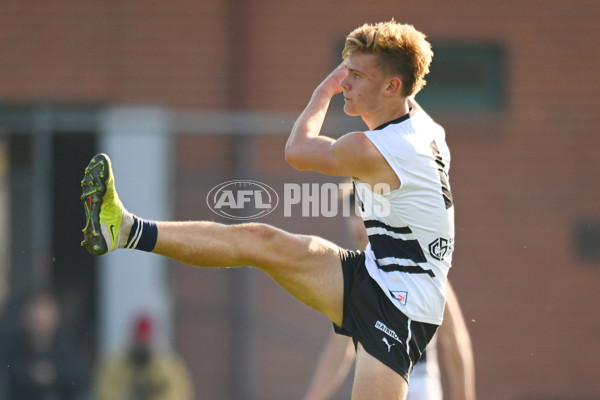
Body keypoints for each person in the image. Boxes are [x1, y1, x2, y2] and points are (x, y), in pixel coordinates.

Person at [81, 20, 454, 399]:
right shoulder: (423, 127)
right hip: (374, 274)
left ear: (391, 87)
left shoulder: (372, 148)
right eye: (346, 73)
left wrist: (322, 90)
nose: (344, 83)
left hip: (402, 310)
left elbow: (297, 150)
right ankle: (126, 229)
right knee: (258, 239)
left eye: (355, 76)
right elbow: (407, 74)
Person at [302, 193, 475, 400]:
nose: (358, 223)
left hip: (418, 388)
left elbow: (455, 340)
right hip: (373, 387)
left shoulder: (422, 269)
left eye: (365, 212)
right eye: (352, 213)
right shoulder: (357, 276)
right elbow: (340, 349)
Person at [0, 290, 90, 400]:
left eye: (45, 319)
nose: (40, 325)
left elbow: (80, 377)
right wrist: (30, 375)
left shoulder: (67, 344)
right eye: (36, 320)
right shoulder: (10, 344)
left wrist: (53, 375)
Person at [95, 313, 194, 400]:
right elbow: (106, 393)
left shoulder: (168, 369)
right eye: (139, 339)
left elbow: (179, 393)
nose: (142, 344)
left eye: (145, 340)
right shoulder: (115, 367)